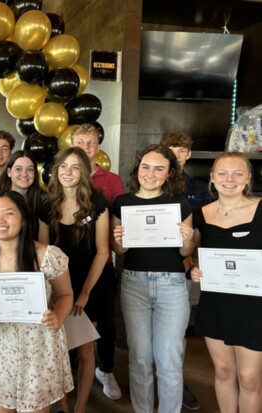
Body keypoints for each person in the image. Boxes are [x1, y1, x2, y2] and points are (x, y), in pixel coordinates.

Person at [111, 144, 196, 413]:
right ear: (137, 169)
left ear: (170, 173)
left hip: (172, 284)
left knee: (169, 359)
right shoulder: (123, 202)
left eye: (159, 168)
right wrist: (120, 242)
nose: (151, 173)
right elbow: (120, 251)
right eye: (146, 166)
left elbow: (185, 252)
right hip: (134, 283)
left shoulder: (180, 203)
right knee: (139, 358)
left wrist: (187, 239)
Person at [0, 190, 74, 413]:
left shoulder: (48, 256)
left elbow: (66, 296)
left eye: (8, 213)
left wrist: (57, 317)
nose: (0, 220)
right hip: (1, 351)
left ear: (23, 219)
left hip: (39, 349)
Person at [38, 147, 111, 413]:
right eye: (64, 166)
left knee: (85, 352)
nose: (68, 172)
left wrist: (84, 293)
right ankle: (64, 405)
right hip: (58, 288)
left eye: (75, 167)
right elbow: (44, 253)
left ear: (85, 172)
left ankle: (80, 408)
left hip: (88, 286)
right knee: (57, 352)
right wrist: (55, 294)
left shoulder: (98, 203)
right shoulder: (45, 205)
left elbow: (103, 252)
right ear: (56, 170)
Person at [190, 152, 262, 413]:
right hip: (216, 302)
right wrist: (193, 270)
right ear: (212, 177)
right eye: (222, 173)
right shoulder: (200, 214)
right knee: (222, 371)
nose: (229, 179)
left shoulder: (261, 208)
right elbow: (189, 255)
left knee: (250, 379)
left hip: (255, 305)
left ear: (248, 178)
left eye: (238, 173)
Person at [160, 132, 213, 410]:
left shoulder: (200, 188)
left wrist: (192, 260)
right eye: (171, 149)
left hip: (186, 270)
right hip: (152, 269)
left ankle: (177, 385)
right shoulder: (151, 184)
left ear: (188, 155)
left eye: (181, 150)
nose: (176, 155)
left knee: (177, 335)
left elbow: (205, 231)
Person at [71, 124, 124, 401]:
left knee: (105, 323)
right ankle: (72, 370)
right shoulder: (62, 177)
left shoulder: (111, 181)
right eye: (80, 142)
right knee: (71, 319)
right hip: (70, 265)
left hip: (102, 264)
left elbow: (117, 224)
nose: (85, 147)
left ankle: (106, 369)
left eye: (90, 143)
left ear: (98, 147)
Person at [5, 150, 44, 240]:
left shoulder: (43, 201)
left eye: (30, 169)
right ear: (9, 172)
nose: (24, 174)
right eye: (18, 169)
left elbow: (44, 243)